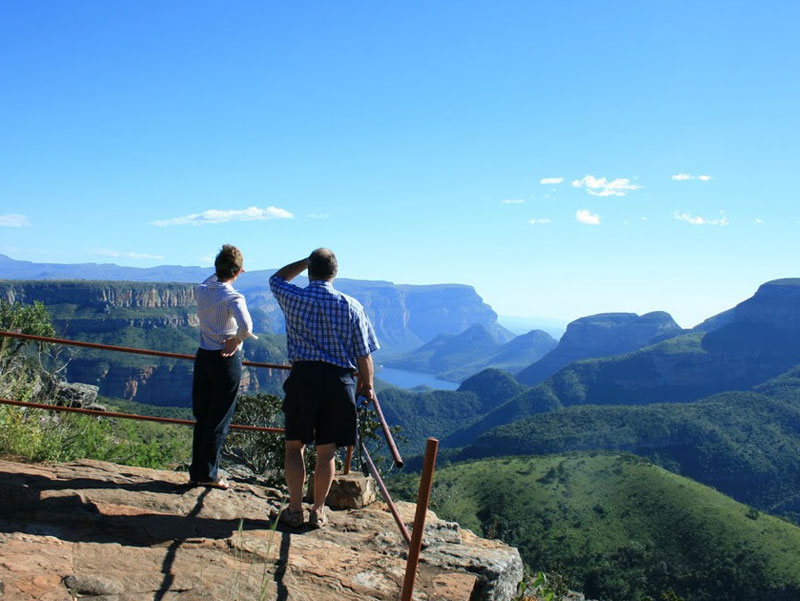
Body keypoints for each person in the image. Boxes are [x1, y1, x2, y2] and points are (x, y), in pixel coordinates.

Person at [269, 248, 379, 528]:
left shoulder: (294, 297)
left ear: (309, 270)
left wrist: (303, 262)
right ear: (335, 272)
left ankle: (294, 510)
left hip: (303, 379)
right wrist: (367, 386)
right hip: (338, 382)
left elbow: (277, 278)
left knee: (295, 447)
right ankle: (318, 510)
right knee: (327, 452)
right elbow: (364, 354)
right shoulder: (351, 305)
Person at [189, 244, 257, 489]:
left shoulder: (202, 289)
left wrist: (225, 268)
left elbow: (212, 278)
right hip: (226, 359)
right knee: (219, 419)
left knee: (203, 416)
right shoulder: (232, 296)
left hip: (203, 356)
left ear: (217, 267)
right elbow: (247, 327)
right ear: (238, 271)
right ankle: (209, 475)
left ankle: (196, 472)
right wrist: (236, 339)